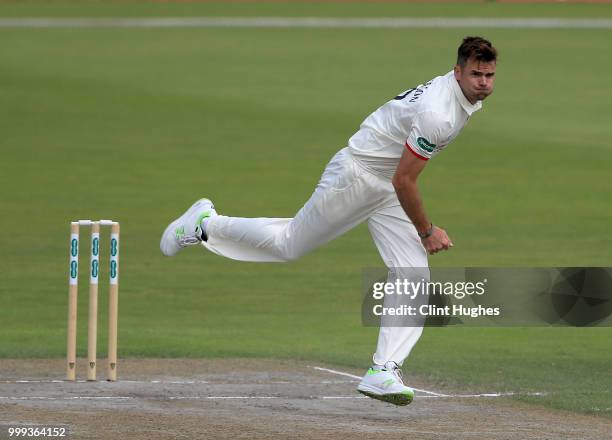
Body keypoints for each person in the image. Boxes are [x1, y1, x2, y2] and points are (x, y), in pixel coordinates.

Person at [160, 36, 497, 406]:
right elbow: (406, 179)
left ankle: (383, 370)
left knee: (413, 274)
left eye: (489, 75)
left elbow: (400, 177)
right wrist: (427, 231)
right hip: (359, 176)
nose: (483, 82)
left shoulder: (457, 95)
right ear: (458, 72)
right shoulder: (439, 114)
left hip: (386, 181)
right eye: (476, 74)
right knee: (288, 245)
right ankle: (205, 224)